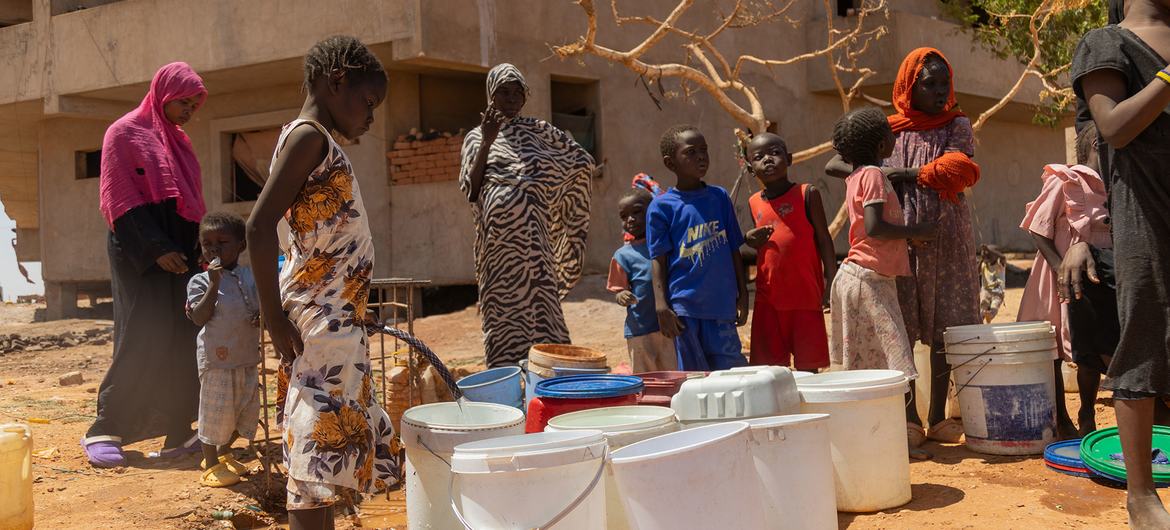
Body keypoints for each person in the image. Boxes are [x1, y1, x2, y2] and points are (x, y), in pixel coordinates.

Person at [247, 36, 397, 529]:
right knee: (315, 460)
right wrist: (271, 316)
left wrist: (352, 303)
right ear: (337, 83)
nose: (371, 119)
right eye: (368, 103)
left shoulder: (309, 138)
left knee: (324, 454)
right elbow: (258, 225)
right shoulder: (309, 136)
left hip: (334, 313)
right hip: (320, 320)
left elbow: (322, 240)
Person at [826, 47, 980, 444]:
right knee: (901, 326)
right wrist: (875, 172)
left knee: (947, 324)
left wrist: (903, 172)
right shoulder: (888, 128)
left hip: (944, 234)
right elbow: (836, 163)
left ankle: (940, 415)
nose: (940, 91)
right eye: (930, 83)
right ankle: (909, 418)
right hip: (899, 240)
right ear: (910, 85)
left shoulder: (956, 123)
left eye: (944, 82)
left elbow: (959, 169)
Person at [1072, 1, 1170, 525]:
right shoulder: (1105, 43)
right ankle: (1141, 496)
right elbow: (1114, 127)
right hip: (1145, 208)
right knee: (1145, 332)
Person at [85, 62, 207, 468]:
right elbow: (119, 200)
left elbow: (188, 205)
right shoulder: (123, 133)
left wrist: (195, 251)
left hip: (180, 253)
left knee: (181, 338)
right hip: (139, 251)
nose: (188, 110)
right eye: (182, 103)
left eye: (194, 104)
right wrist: (156, 249)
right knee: (143, 334)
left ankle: (178, 431)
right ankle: (105, 429)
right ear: (162, 95)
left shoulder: (180, 141)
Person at [459, 63, 595, 368]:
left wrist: (557, 198)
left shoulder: (541, 133)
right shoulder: (475, 137)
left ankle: (550, 376)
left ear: (525, 97)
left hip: (536, 248)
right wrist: (488, 141)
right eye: (502, 93)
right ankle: (507, 380)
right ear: (490, 96)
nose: (510, 99)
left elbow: (581, 162)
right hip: (499, 252)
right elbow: (470, 189)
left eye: (516, 92)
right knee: (504, 316)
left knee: (543, 312)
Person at [828, 107, 937, 459]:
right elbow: (875, 227)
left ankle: (877, 446)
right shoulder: (874, 175)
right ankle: (894, 445)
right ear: (881, 144)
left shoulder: (857, 174)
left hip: (861, 278)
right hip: (867, 281)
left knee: (870, 368)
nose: (896, 138)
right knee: (895, 366)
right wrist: (914, 232)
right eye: (891, 134)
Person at [1017, 123, 1112, 438]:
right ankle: (1060, 418)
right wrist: (1059, 269)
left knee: (1089, 347)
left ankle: (1087, 412)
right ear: (1099, 144)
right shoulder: (1066, 181)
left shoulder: (1113, 188)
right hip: (1054, 277)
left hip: (1091, 281)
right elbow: (1037, 228)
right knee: (1053, 348)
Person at [648, 125, 749, 371]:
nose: (701, 157)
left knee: (730, 373)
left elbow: (734, 248)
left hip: (722, 305)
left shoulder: (719, 197)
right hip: (685, 308)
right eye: (691, 152)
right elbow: (658, 260)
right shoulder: (662, 207)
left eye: (704, 150)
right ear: (670, 163)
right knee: (694, 377)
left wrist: (743, 292)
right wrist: (661, 305)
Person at [742, 133, 836, 372]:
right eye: (759, 157)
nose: (768, 160)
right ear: (751, 169)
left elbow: (824, 239)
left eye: (775, 153)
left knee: (809, 369)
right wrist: (748, 239)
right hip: (768, 300)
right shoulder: (754, 201)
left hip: (805, 296)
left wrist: (831, 280)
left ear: (790, 159)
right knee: (770, 371)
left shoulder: (807, 194)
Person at [185, 213, 260, 488]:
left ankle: (225, 452)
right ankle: (210, 463)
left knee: (244, 411)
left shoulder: (249, 276)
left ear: (241, 245)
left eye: (222, 242)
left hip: (246, 356)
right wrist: (214, 284)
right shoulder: (200, 281)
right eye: (207, 243)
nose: (213, 249)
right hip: (217, 359)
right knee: (215, 414)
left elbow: (257, 306)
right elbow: (198, 317)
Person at [608, 188, 677, 372]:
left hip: (669, 326)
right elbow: (618, 289)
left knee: (673, 374)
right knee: (646, 378)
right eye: (624, 216)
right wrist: (621, 295)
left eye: (637, 212)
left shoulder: (666, 245)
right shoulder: (622, 256)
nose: (630, 219)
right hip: (639, 329)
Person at [978, 244, 1006, 324]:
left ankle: (989, 315)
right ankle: (981, 319)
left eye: (989, 255)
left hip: (998, 291)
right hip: (985, 291)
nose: (987, 257)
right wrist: (982, 259)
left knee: (994, 306)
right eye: (986, 255)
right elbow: (977, 271)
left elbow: (1003, 257)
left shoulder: (1000, 264)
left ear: (996, 255)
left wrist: (988, 250)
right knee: (982, 307)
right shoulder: (983, 265)